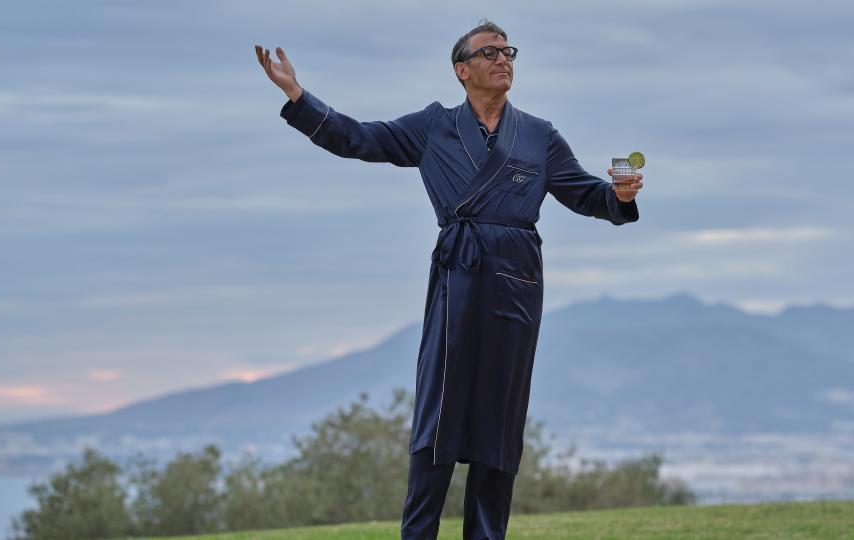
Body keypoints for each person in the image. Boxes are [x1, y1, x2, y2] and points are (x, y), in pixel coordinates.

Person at [254, 19, 642, 540]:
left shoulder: (539, 134)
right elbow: (360, 139)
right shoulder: (433, 126)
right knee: (439, 413)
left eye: (509, 52)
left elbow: (585, 194)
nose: (503, 59)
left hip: (517, 284)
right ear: (462, 70)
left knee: (500, 419)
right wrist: (298, 97)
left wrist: (620, 197)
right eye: (489, 53)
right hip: (457, 279)